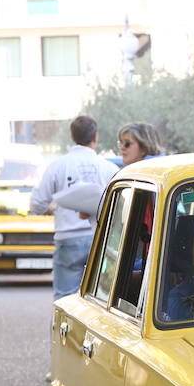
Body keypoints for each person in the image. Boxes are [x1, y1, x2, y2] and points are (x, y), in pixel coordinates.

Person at [30, 115, 119, 299]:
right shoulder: (109, 169)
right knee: (100, 300)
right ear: (96, 137)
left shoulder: (57, 166)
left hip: (68, 239)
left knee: (65, 299)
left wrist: (51, 209)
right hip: (101, 240)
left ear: (72, 136)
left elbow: (37, 204)